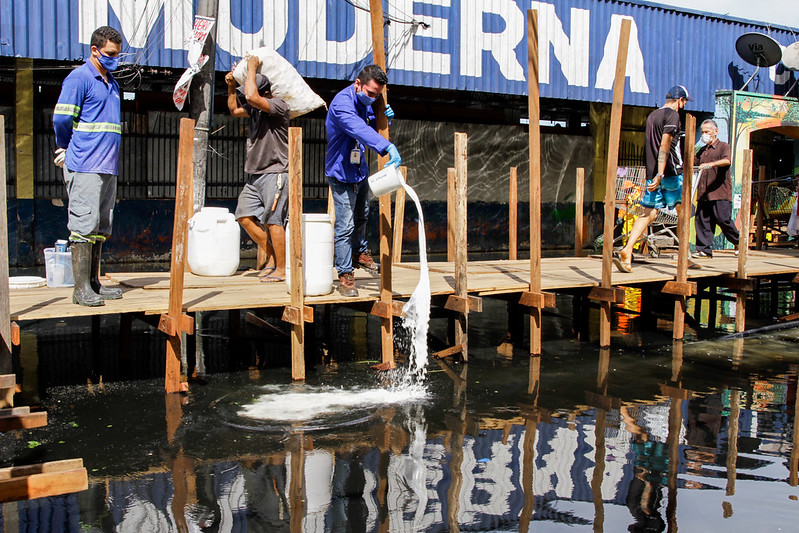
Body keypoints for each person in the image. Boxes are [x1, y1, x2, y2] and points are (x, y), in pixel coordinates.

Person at [53, 26, 124, 306]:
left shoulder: (112, 83)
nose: (114, 59)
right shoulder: (79, 78)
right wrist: (65, 148)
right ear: (94, 51)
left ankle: (94, 283)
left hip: (107, 166)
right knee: (83, 225)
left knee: (99, 226)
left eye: (117, 54)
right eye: (109, 54)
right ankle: (80, 289)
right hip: (85, 164)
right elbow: (61, 119)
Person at [325, 65, 401, 297]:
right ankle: (346, 273)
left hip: (359, 170)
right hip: (340, 173)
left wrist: (381, 116)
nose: (373, 98)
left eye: (377, 95)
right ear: (357, 84)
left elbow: (368, 119)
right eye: (370, 94)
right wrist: (386, 146)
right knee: (345, 224)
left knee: (362, 215)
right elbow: (358, 128)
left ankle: (360, 253)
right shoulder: (342, 104)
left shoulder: (365, 102)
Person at [225, 56, 290, 283]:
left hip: (276, 172)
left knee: (274, 220)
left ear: (264, 92)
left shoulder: (278, 106)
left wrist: (251, 67)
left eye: (250, 90)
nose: (247, 95)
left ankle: (281, 269)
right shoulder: (254, 111)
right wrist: (231, 87)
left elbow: (252, 96)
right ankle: (271, 255)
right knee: (243, 215)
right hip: (255, 175)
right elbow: (234, 110)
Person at [615, 85, 692, 273]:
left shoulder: (652, 116)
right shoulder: (673, 115)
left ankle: (627, 250)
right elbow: (665, 144)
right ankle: (685, 257)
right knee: (684, 211)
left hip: (652, 173)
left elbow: (651, 145)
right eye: (684, 102)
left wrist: (654, 174)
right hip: (669, 172)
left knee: (649, 213)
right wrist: (660, 173)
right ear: (680, 101)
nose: (683, 106)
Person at [692, 119, 739, 258]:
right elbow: (692, 163)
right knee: (702, 221)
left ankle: (738, 242)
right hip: (703, 193)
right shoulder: (702, 151)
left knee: (723, 219)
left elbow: (727, 161)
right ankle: (704, 249)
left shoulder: (723, 146)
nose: (704, 134)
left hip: (720, 192)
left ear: (715, 131)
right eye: (702, 132)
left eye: (707, 131)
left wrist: (711, 164)